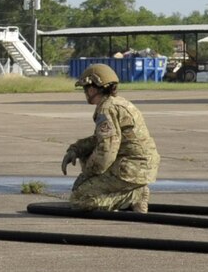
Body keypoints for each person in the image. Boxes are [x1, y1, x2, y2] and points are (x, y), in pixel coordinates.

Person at [61, 63, 159, 212]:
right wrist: (77, 149)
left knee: (79, 200)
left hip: (130, 169)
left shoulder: (107, 109)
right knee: (86, 154)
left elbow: (107, 149)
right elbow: (101, 139)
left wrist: (86, 175)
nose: (85, 92)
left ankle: (134, 195)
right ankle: (130, 194)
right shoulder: (118, 103)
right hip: (139, 166)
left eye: (85, 88)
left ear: (93, 88)